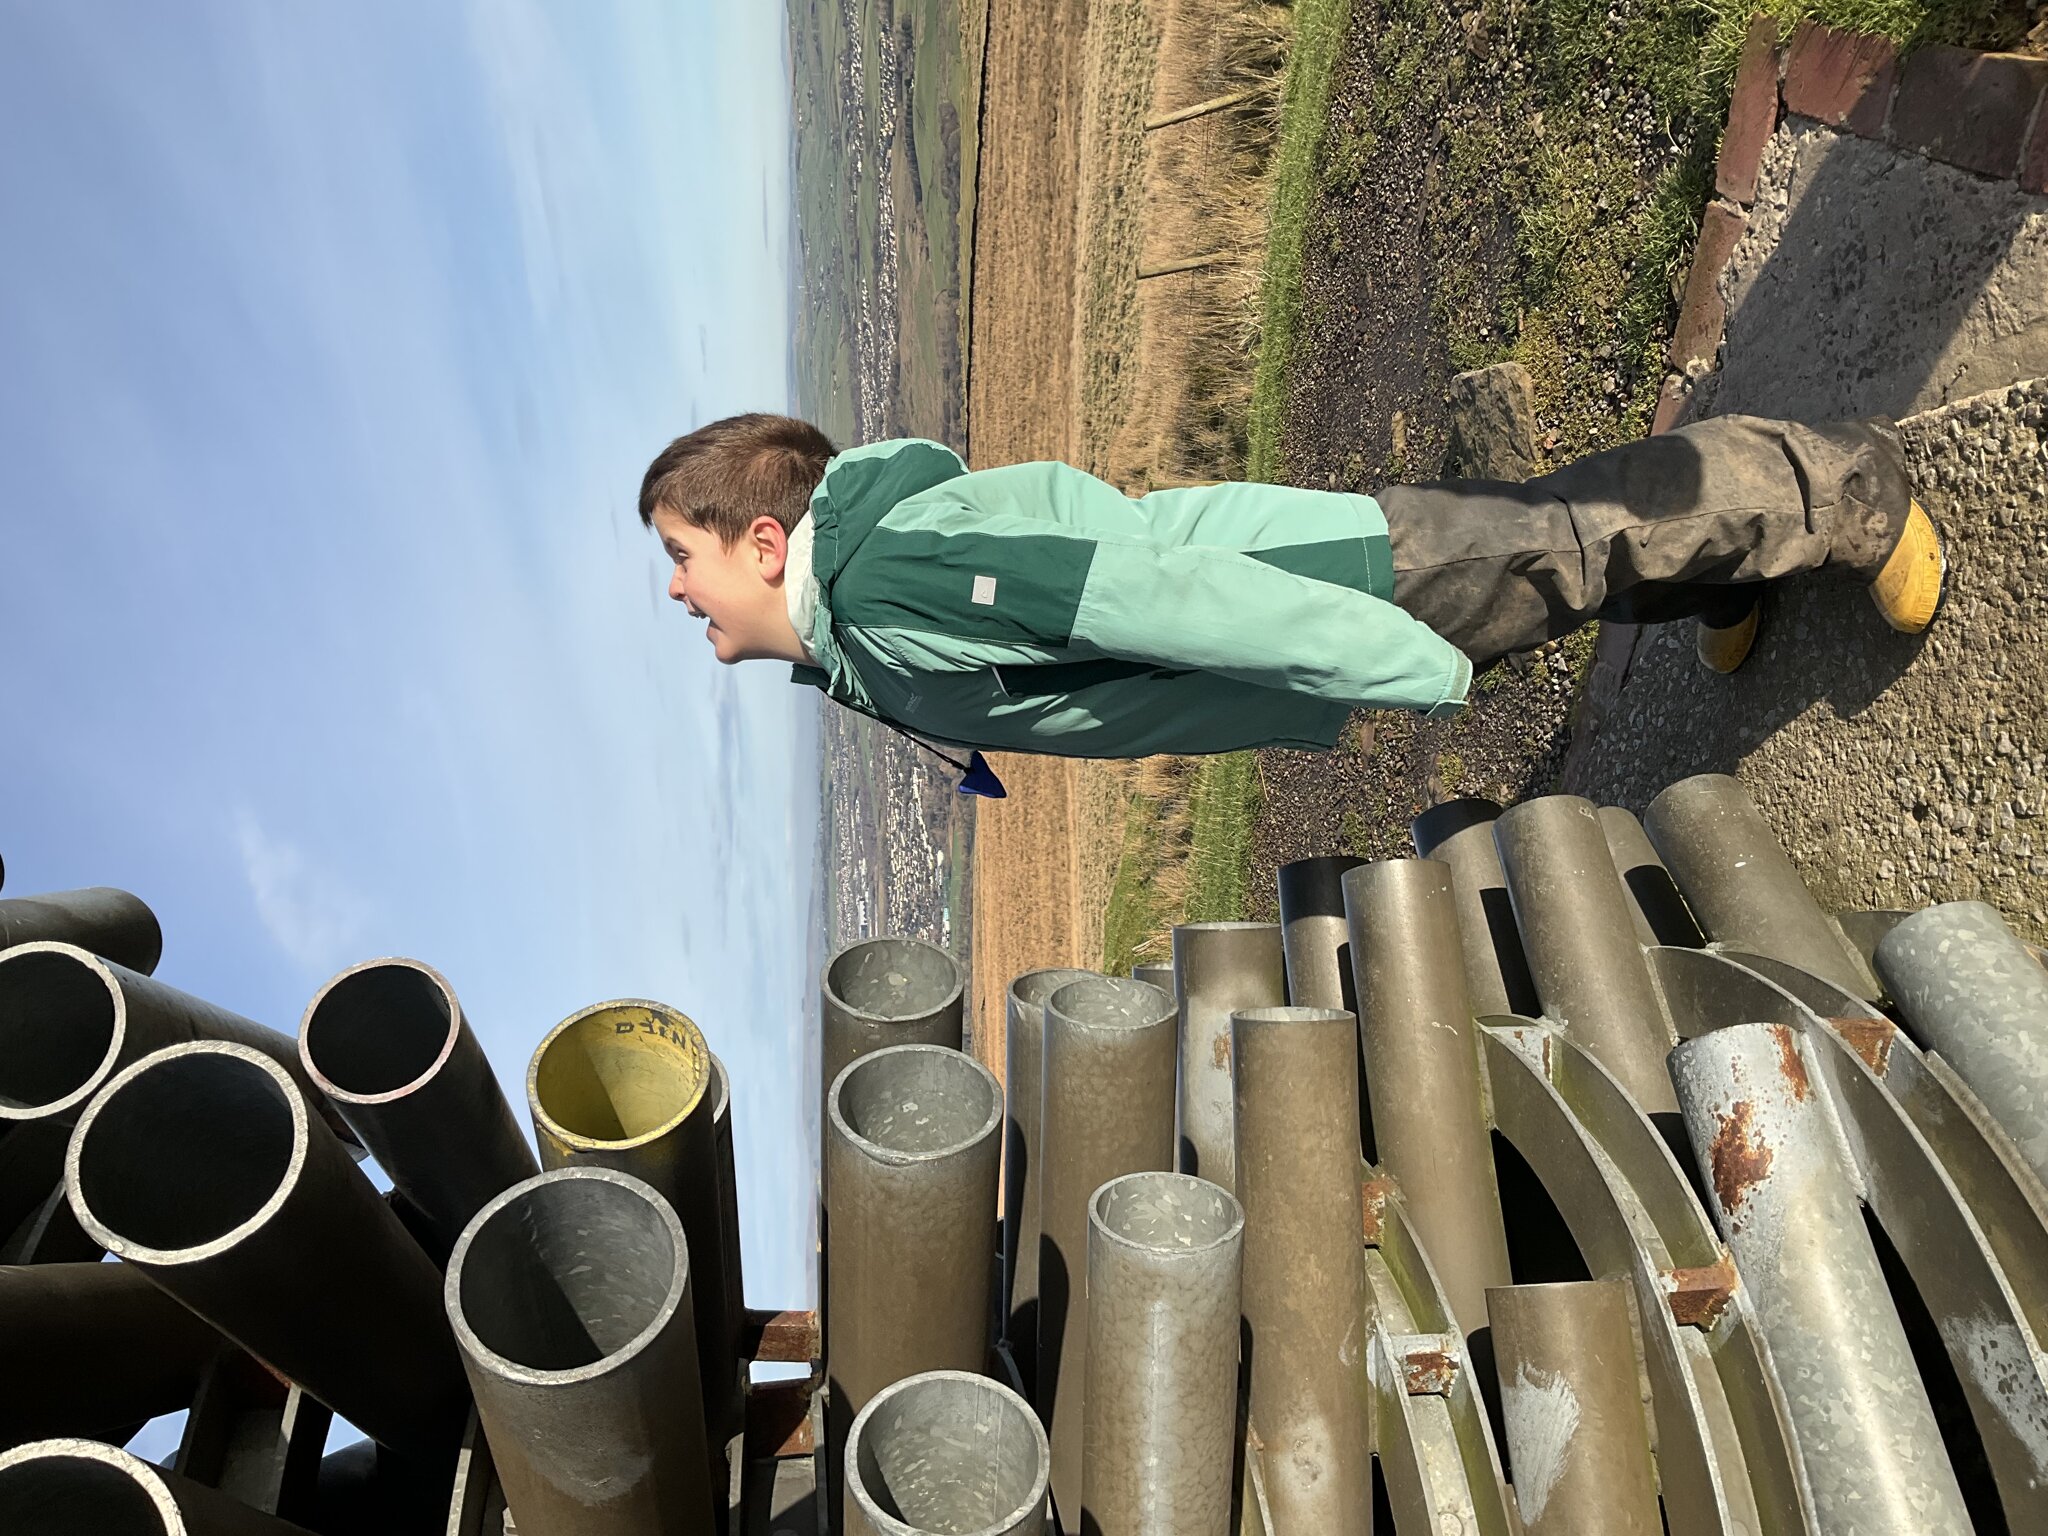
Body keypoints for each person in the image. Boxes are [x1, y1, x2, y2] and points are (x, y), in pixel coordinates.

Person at [636, 411, 1943, 786]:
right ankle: (1725, 571)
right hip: (1304, 615)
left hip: (1311, 590)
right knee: (1546, 575)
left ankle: (1839, 490)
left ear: (760, 540)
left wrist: (1383, 659)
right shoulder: (857, 635)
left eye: (680, 561)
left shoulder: (894, 574)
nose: (687, 604)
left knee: (1559, 539)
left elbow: (1149, 598)